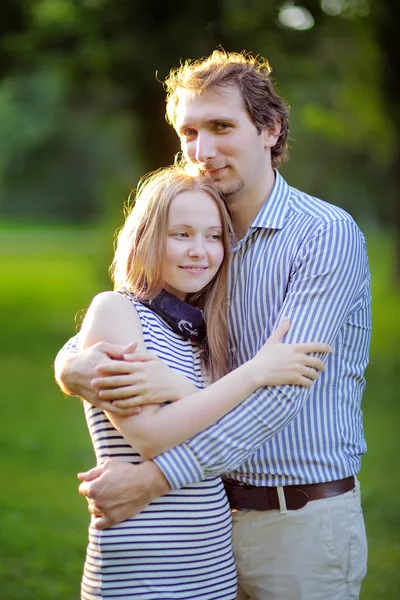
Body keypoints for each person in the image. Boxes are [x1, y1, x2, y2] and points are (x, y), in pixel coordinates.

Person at [55, 50, 371, 600]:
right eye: (188, 132)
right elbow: (139, 314)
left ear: (269, 129)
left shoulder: (324, 234)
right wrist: (72, 364)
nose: (202, 151)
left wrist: (154, 478)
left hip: (295, 522)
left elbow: (278, 394)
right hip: (207, 520)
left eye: (222, 127)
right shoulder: (204, 236)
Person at [70, 164, 329, 599]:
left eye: (213, 237)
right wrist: (257, 371)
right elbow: (151, 436)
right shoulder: (117, 310)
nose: (200, 251)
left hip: (209, 564)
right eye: (181, 234)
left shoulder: (196, 330)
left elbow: (212, 428)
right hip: (145, 562)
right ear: (147, 236)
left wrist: (183, 389)